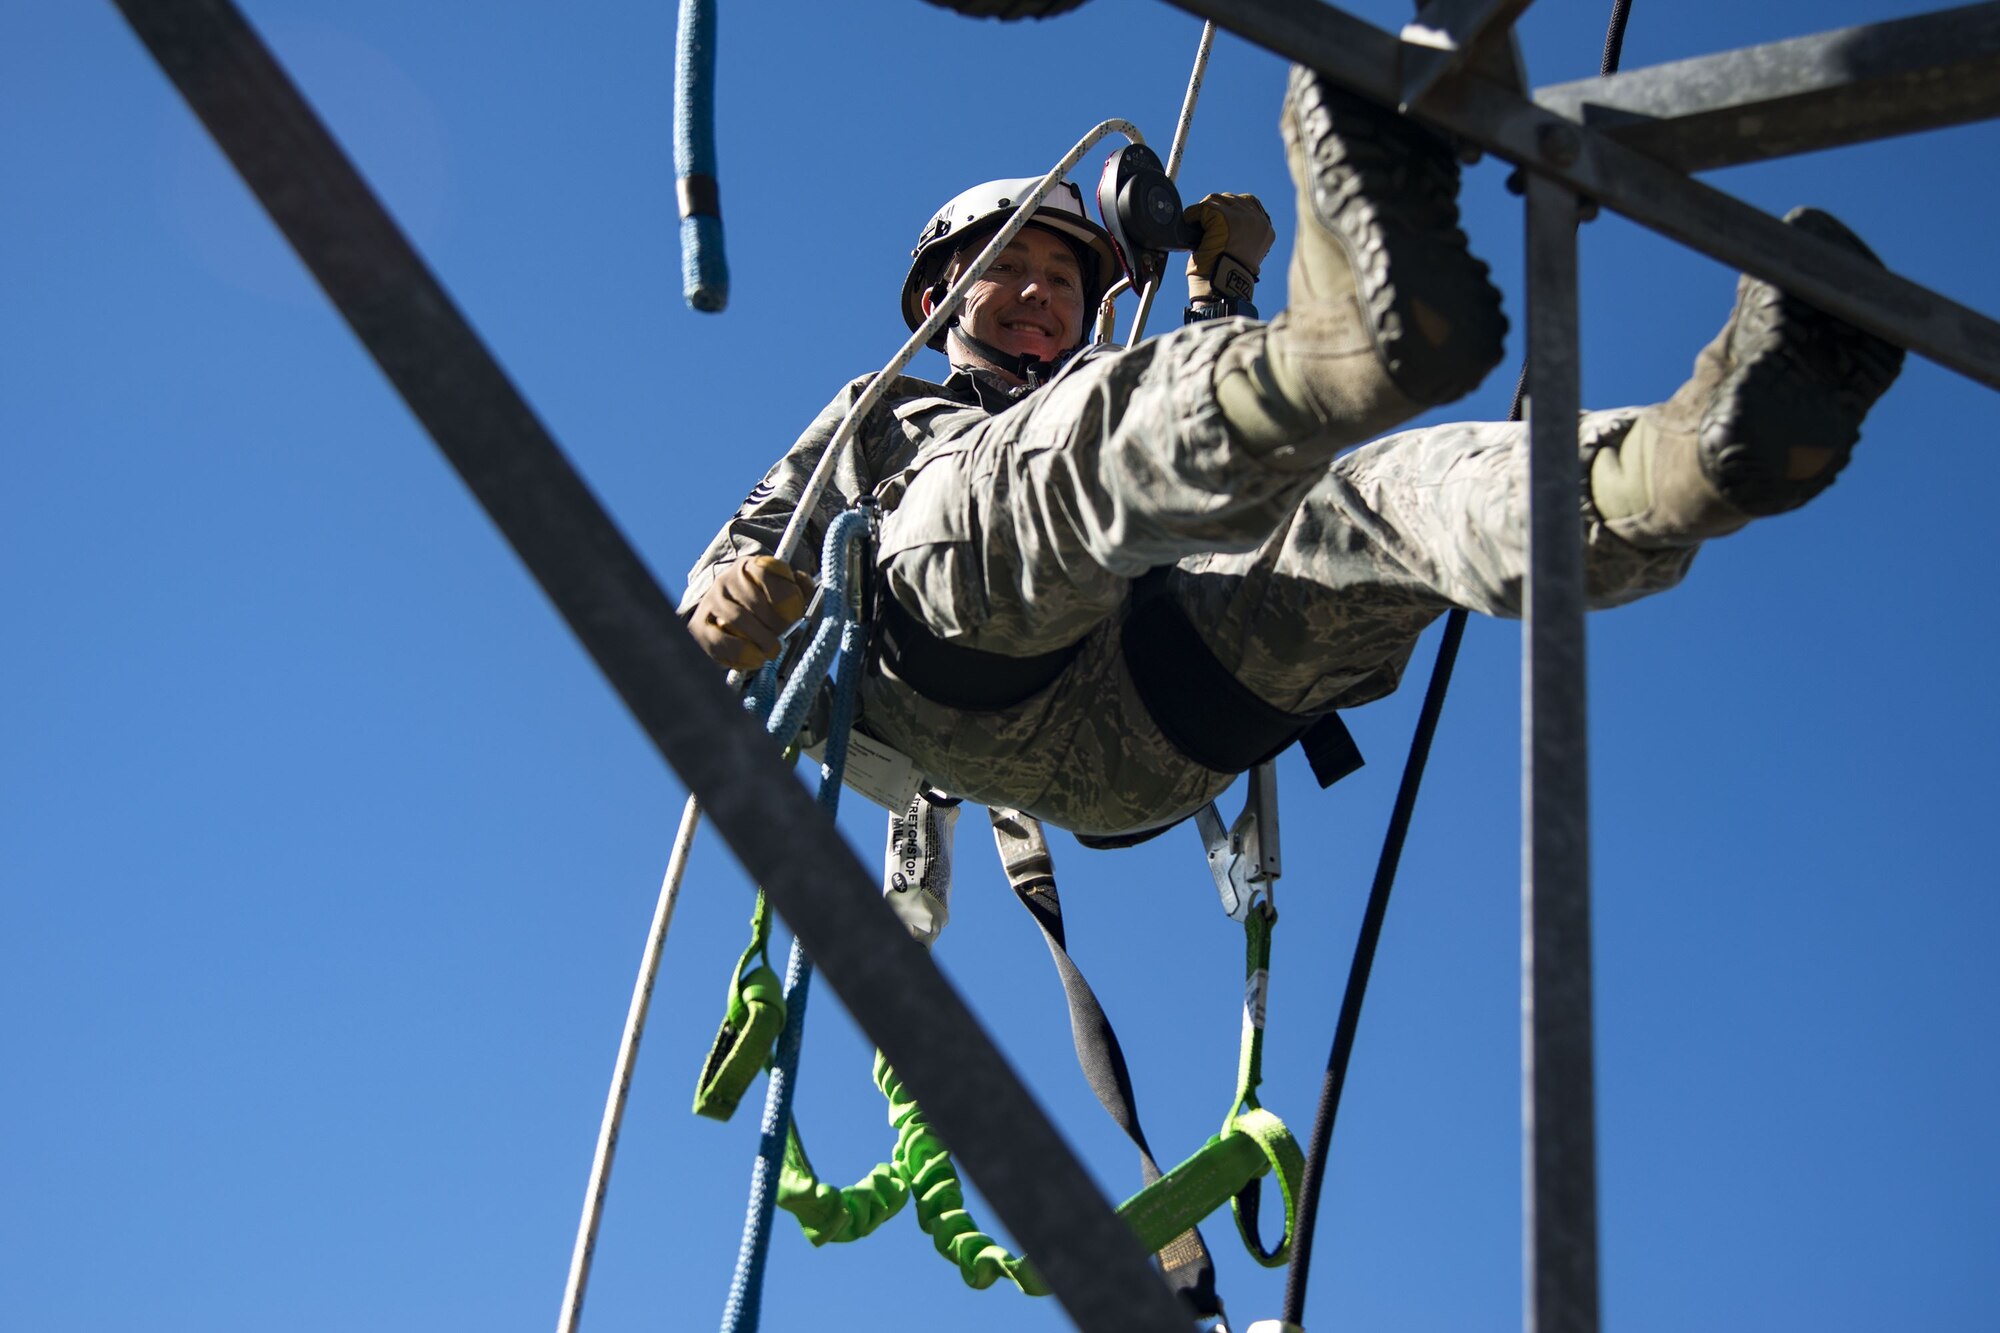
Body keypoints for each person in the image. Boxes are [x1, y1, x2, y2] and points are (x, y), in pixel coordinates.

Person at [680, 66, 1904, 840]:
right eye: (1008, 265)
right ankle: (1340, 351)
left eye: (1064, 276)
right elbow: (719, 579)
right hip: (957, 681)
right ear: (940, 296)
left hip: (1159, 723)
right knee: (1022, 476)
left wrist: (1229, 276)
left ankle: (1681, 470)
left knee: (1370, 504)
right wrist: (722, 604)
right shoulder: (885, 413)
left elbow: (1193, 454)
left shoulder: (1109, 389)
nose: (1038, 293)